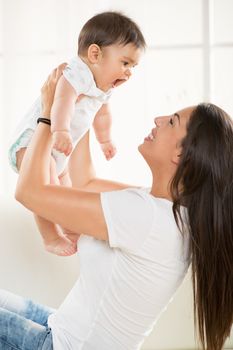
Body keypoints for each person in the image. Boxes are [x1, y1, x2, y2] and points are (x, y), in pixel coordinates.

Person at [1, 66, 233, 350]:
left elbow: (29, 192)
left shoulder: (147, 218)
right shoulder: (163, 211)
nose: (158, 120)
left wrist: (48, 114)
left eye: (171, 122)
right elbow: (85, 182)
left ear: (181, 153)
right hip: (62, 328)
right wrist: (87, 104)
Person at [8, 11, 146, 256]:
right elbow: (61, 101)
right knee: (47, 183)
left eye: (133, 67)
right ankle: (50, 236)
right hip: (33, 144)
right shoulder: (77, 73)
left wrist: (105, 140)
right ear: (95, 54)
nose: (128, 73)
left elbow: (102, 115)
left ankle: (68, 227)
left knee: (65, 190)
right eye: (125, 63)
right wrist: (60, 130)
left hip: (60, 148)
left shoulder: (103, 87)